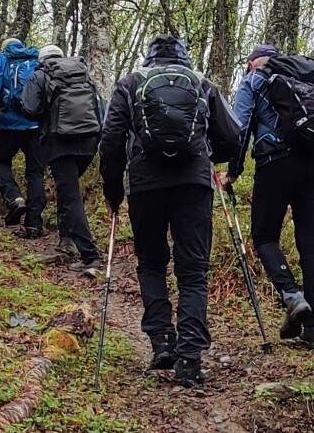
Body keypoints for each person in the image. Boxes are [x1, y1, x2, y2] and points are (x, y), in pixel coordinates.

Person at [99, 34, 241, 387]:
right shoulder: (201, 83)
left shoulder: (131, 83)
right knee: (193, 271)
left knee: (151, 263)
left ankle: (161, 340)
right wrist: (209, 156)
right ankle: (190, 359)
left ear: (149, 58)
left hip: (145, 183)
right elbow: (231, 136)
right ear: (184, 58)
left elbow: (111, 139)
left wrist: (113, 191)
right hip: (193, 183)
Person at [224, 45, 314, 351]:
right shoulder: (311, 78)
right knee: (310, 243)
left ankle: (291, 295)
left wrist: (233, 170)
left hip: (275, 163)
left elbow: (239, 127)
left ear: (249, 63)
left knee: (264, 236)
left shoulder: (254, 80)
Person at [21, 45, 103, 271]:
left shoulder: (39, 75)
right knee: (68, 191)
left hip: (60, 143)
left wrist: (47, 115)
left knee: (70, 196)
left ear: (42, 59)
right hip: (89, 141)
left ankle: (90, 256)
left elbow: (29, 109)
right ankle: (66, 238)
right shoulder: (81, 73)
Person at [0, 37, 46, 237]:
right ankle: (34, 225)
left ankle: (14, 197)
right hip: (35, 125)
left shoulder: (0, 60)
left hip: (9, 123)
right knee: (35, 174)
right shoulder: (36, 60)